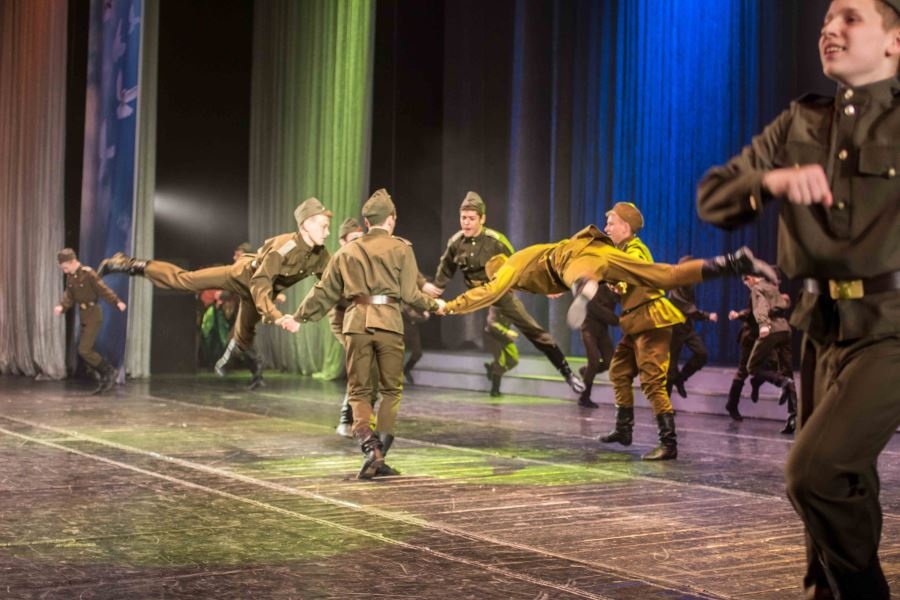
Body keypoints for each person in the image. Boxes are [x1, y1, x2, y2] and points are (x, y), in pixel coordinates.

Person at [697, 0, 900, 594]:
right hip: (819, 324)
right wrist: (771, 180)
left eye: (851, 18)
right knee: (840, 488)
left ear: (894, 41)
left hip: (891, 326)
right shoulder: (800, 122)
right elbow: (715, 196)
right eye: (825, 21)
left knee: (813, 473)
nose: (830, 30)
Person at [280, 189, 444, 480]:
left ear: (367, 222)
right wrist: (435, 305)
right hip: (389, 324)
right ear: (390, 220)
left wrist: (299, 316)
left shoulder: (346, 251)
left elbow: (324, 291)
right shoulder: (401, 248)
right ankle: (378, 453)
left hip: (355, 323)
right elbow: (410, 294)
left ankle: (371, 450)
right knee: (391, 391)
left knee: (358, 391)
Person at [98, 197, 333, 389]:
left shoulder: (321, 256)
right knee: (186, 280)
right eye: (323, 225)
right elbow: (260, 283)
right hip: (242, 276)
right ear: (306, 224)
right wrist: (277, 316)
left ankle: (234, 362)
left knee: (245, 334)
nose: (327, 231)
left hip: (257, 295)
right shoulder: (284, 247)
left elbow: (332, 284)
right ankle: (128, 264)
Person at [422, 192, 585, 397]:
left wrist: (545, 289)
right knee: (487, 326)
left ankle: (567, 373)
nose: (466, 223)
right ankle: (495, 373)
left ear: (483, 219)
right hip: (475, 294)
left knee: (534, 330)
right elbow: (444, 272)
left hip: (498, 292)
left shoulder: (496, 242)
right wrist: (432, 295)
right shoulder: (456, 242)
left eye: (471, 218)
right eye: (463, 218)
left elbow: (521, 268)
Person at [596, 203, 685, 461]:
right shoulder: (622, 250)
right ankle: (624, 430)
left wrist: (618, 280)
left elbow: (633, 268)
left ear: (625, 226)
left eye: (611, 223)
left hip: (651, 320)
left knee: (652, 382)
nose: (606, 228)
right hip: (636, 322)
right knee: (619, 370)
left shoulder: (636, 250)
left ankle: (669, 444)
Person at [330, 217, 378, 438]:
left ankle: (363, 416)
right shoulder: (338, 262)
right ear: (342, 241)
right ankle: (346, 419)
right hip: (343, 320)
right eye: (353, 239)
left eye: (361, 238)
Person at [54, 248, 126, 394]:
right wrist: (62, 306)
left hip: (94, 314)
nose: (65, 271)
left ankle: (109, 371)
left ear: (73, 262)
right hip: (84, 314)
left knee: (84, 350)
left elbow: (102, 289)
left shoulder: (88, 273)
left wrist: (116, 301)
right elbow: (69, 295)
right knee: (84, 350)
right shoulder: (71, 277)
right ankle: (106, 375)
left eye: (65, 267)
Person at [742, 274, 798, 433]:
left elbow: (761, 305)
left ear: (750, 278)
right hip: (785, 329)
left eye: (747, 282)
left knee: (751, 367)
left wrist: (763, 324)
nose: (748, 285)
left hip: (771, 329)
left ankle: (782, 382)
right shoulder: (773, 287)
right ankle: (793, 416)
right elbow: (784, 303)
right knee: (788, 371)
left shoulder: (757, 288)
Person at [666, 256, 719, 399]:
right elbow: (687, 308)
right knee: (670, 368)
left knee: (702, 354)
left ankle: (681, 378)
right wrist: (707, 316)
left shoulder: (689, 283)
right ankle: (664, 408)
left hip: (687, 327)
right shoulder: (675, 284)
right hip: (674, 329)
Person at [577, 283, 619, 408]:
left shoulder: (614, 290)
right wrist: (617, 320)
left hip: (602, 331)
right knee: (594, 361)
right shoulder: (593, 288)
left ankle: (585, 372)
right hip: (589, 329)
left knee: (610, 361)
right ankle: (584, 397)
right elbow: (595, 308)